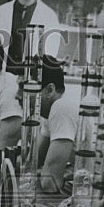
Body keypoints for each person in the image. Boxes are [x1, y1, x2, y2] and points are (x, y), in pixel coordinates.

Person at [0, 0, 60, 75]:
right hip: (2, 77)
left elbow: (50, 53)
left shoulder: (49, 16)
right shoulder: (0, 12)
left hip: (31, 79)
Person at [36, 55, 80, 194]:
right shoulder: (53, 108)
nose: (18, 96)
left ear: (49, 90)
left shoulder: (62, 107)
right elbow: (33, 162)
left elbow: (50, 183)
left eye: (23, 89)